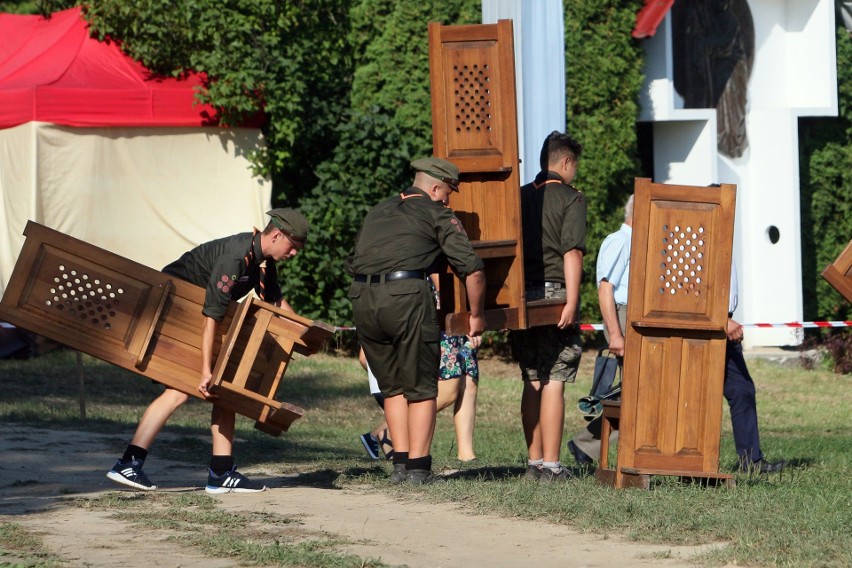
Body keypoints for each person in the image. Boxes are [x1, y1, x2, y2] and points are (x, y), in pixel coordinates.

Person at [106, 208, 308, 493]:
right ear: (276, 235)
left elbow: (276, 303)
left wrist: (307, 332)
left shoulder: (261, 261)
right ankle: (128, 464)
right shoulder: (235, 258)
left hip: (197, 317)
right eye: (293, 246)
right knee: (179, 391)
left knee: (224, 392)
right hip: (174, 312)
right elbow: (210, 316)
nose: (294, 253)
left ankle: (221, 472)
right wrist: (205, 370)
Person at [347, 157, 486, 484]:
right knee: (422, 387)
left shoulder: (378, 211)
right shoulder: (436, 212)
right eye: (448, 192)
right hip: (406, 297)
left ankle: (400, 467)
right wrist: (477, 316)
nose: (449, 200)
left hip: (362, 299)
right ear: (435, 187)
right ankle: (419, 470)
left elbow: (353, 261)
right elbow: (473, 269)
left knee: (393, 387)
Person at [510, 131, 587, 483]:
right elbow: (572, 251)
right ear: (566, 162)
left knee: (532, 380)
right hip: (556, 295)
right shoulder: (571, 199)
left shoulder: (519, 196)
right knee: (555, 377)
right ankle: (553, 467)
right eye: (575, 166)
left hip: (522, 297)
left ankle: (534, 462)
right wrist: (571, 300)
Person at [567, 195, 633, 467]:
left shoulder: (630, 241)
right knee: (637, 394)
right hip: (622, 315)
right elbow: (606, 289)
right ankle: (586, 444)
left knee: (637, 393)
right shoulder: (620, 241)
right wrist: (615, 335)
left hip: (629, 314)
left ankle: (586, 445)